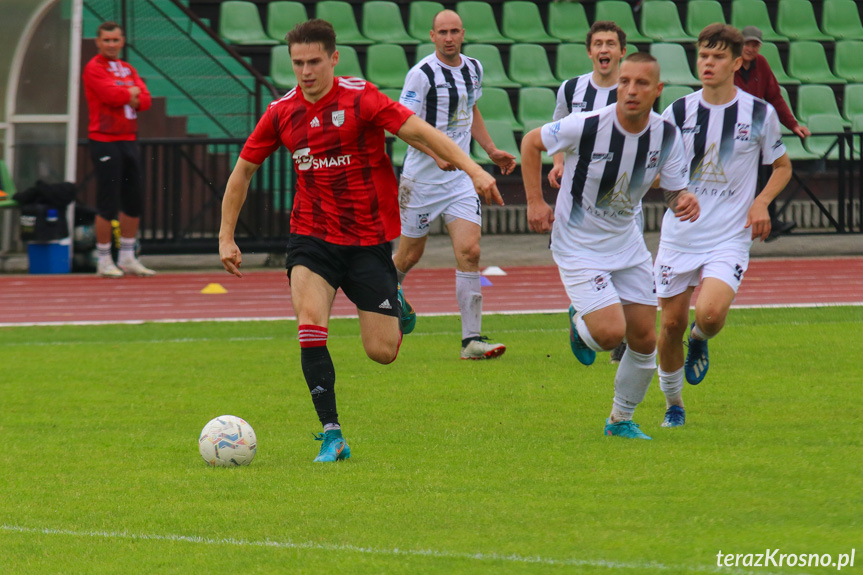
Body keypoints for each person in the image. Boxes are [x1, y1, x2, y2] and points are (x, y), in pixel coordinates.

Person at [219, 19, 503, 462]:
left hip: (367, 241)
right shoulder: (281, 112)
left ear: (334, 58)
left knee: (382, 352)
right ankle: (332, 434)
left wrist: (474, 168)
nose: (306, 71)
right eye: (298, 63)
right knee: (311, 327)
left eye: (314, 61)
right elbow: (242, 172)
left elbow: (421, 132)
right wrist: (226, 236)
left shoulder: (361, 98)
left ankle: (396, 299)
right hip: (312, 239)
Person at [521, 53, 698, 440]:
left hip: (627, 244)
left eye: (641, 84)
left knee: (644, 339)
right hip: (578, 244)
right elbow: (530, 142)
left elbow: (672, 189)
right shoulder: (586, 125)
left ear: (658, 90)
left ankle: (620, 420)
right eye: (625, 82)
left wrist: (683, 199)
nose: (631, 90)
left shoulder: (666, 134)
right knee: (609, 334)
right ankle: (580, 321)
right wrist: (535, 202)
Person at [655, 24, 792, 428]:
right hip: (680, 234)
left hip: (729, 236)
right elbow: (655, 169)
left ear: (736, 63)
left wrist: (761, 202)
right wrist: (676, 193)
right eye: (703, 55)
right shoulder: (677, 111)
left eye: (717, 57)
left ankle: (700, 341)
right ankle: (673, 404)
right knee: (670, 324)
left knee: (710, 316)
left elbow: (782, 167)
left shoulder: (760, 113)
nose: (708, 63)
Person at [393, 10, 516, 360]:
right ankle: (387, 292)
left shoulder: (474, 68)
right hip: (421, 180)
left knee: (470, 251)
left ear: (463, 34)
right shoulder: (421, 75)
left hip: (460, 178)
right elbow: (403, 123)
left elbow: (470, 109)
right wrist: (434, 154)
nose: (449, 38)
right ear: (432, 36)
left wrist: (490, 150)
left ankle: (471, 341)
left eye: (454, 32)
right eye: (442, 32)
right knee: (409, 255)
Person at [550, 20, 630, 364]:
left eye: (610, 44)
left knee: (625, 268)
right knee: (592, 263)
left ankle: (616, 337)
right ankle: (584, 315)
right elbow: (555, 133)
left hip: (623, 197)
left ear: (622, 52)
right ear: (589, 51)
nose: (604, 50)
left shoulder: (634, 91)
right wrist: (557, 163)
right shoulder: (571, 90)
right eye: (598, 44)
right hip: (580, 198)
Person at [82, 21, 155, 278]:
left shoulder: (127, 68)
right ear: (98, 42)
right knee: (108, 201)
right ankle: (103, 259)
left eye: (115, 40)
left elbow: (145, 100)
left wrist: (128, 92)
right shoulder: (93, 68)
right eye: (107, 40)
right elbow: (110, 96)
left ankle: (127, 256)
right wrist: (129, 92)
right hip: (104, 139)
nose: (111, 45)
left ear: (122, 41)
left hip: (128, 138)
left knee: (133, 200)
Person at [735, 25, 808, 241]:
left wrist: (793, 125)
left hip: (756, 131)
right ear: (739, 44)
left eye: (755, 44)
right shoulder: (731, 65)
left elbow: (774, 96)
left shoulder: (762, 64)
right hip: (733, 132)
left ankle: (770, 221)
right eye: (747, 43)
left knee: (770, 168)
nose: (751, 48)